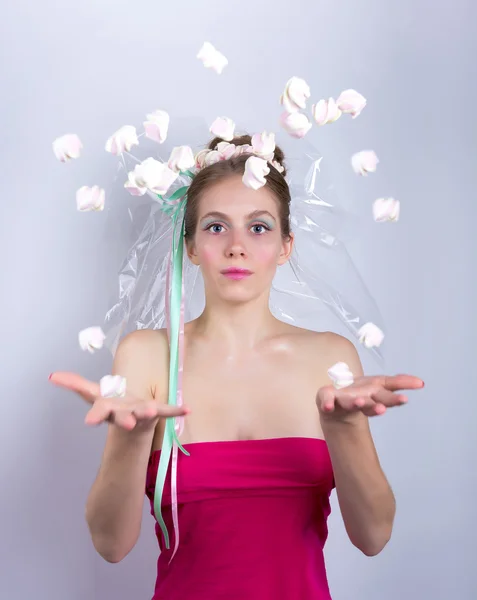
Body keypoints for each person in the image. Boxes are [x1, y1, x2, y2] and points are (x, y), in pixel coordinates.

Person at [49, 134, 424, 599]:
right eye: (215, 227)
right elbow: (111, 544)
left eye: (260, 227)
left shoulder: (331, 357)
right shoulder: (146, 357)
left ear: (286, 245)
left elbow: (374, 537)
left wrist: (344, 427)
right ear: (189, 246)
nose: (237, 247)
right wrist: (131, 440)